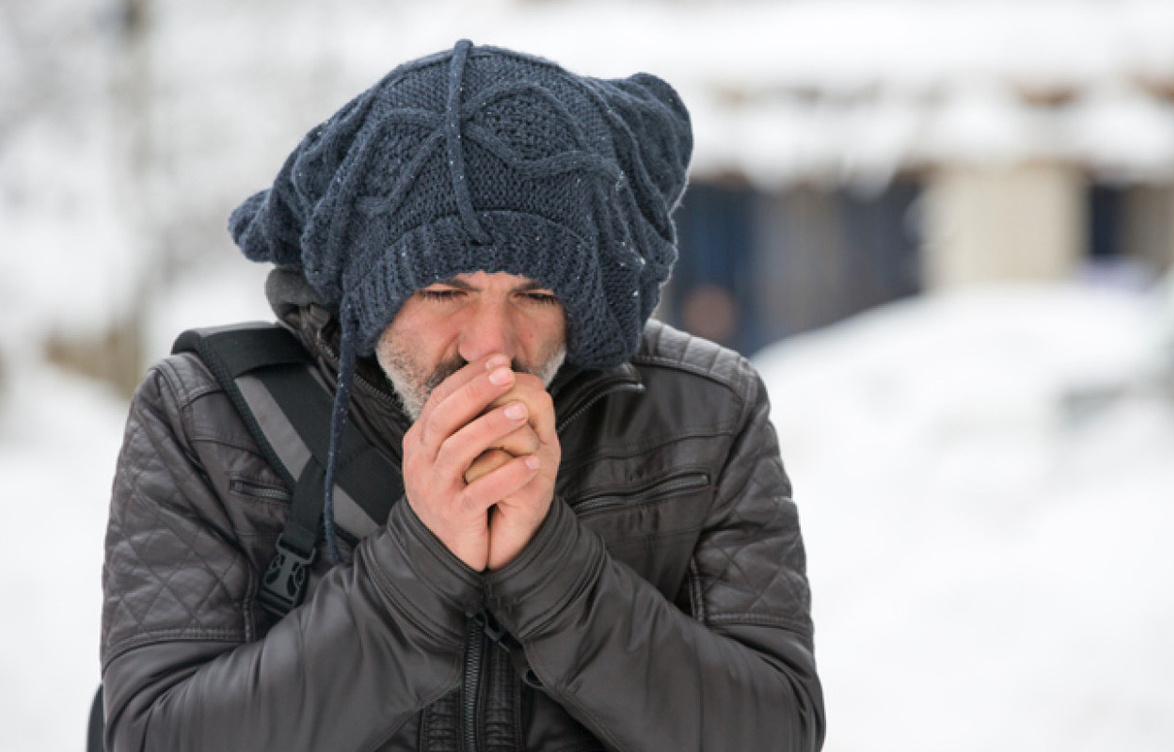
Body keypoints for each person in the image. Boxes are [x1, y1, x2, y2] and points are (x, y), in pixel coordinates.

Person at [99, 39, 824, 752]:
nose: (492, 346)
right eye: (445, 291)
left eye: (537, 294)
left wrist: (551, 568)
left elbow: (776, 731)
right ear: (368, 287)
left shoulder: (707, 413)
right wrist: (419, 567)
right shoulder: (206, 417)